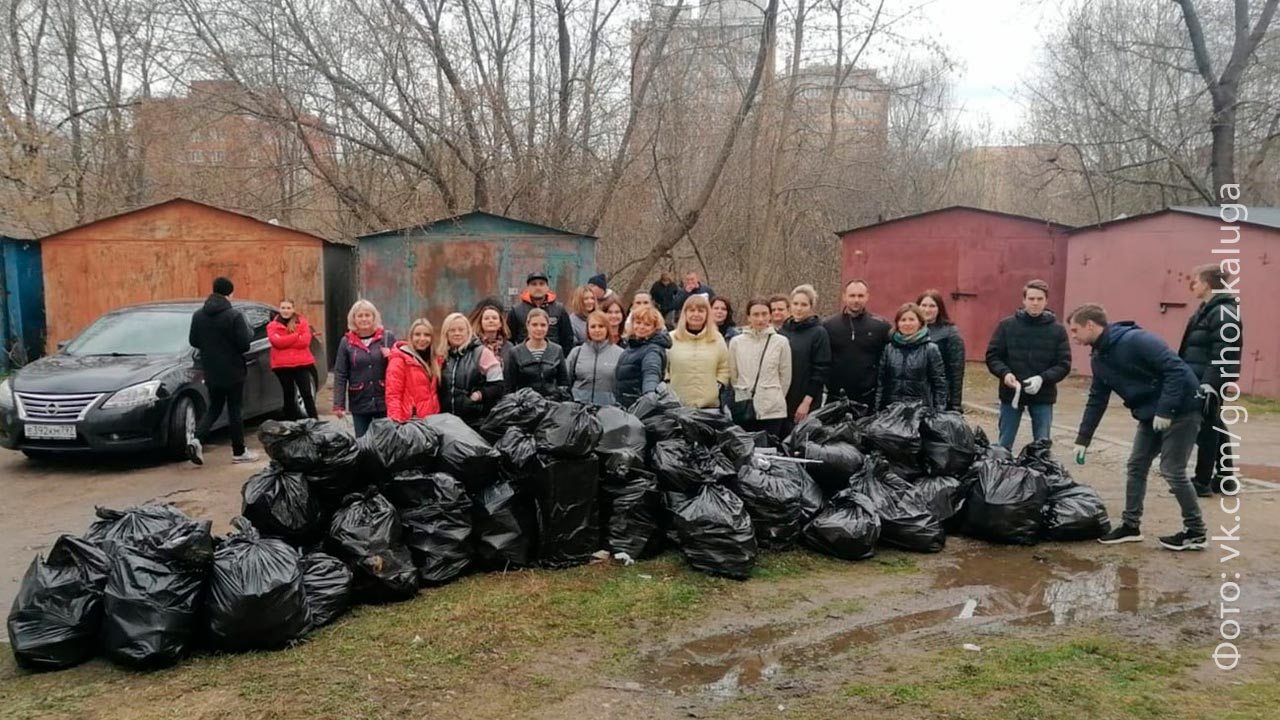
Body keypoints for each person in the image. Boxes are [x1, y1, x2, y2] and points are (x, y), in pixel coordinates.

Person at [1068, 304, 1206, 551]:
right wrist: (1083, 438)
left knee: (1172, 469)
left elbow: (1176, 369)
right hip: (1150, 414)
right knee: (1136, 465)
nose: (1074, 336)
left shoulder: (1137, 340)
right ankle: (1130, 526)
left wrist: (1166, 409)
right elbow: (1097, 399)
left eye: (1076, 330)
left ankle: (1195, 532)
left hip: (1183, 408)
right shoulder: (1099, 358)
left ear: (1091, 325)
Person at [984, 279, 1072, 451]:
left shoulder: (1057, 330)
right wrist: (1005, 374)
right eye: (1031, 299)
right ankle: (1001, 472)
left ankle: (1042, 474)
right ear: (1023, 300)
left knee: (1042, 445)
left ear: (1046, 301)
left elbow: (1064, 363)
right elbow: (993, 356)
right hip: (1011, 393)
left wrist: (1042, 378)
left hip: (1043, 394)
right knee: (1004, 444)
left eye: (1039, 299)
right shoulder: (1006, 326)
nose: (1035, 303)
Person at [1177, 264, 1242, 497]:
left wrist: (1209, 385)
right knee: (1214, 424)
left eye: (1194, 281)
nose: (1191, 285)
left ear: (1206, 283)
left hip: (1208, 381)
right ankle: (1225, 476)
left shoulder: (1223, 312)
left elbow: (1225, 352)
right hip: (1198, 377)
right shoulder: (1208, 309)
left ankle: (1202, 481)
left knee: (1206, 429)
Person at [186, 276, 256, 465]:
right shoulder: (233, 315)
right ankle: (239, 451)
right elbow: (244, 345)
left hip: (211, 369)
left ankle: (197, 439)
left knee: (214, 407)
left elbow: (193, 341)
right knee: (235, 409)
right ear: (229, 293)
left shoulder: (199, 315)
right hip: (233, 369)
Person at [823, 279, 891, 409]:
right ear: (844, 297)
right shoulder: (828, 325)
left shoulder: (881, 326)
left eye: (860, 296)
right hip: (835, 398)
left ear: (867, 297)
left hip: (868, 398)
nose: (856, 300)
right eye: (852, 295)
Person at [728, 297, 792, 437]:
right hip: (745, 405)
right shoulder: (736, 342)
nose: (760, 319)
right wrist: (742, 391)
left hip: (772, 407)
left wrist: (774, 395)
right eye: (756, 315)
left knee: (768, 450)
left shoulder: (781, 342)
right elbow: (733, 374)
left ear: (770, 315)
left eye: (764, 314)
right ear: (748, 317)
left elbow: (785, 376)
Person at [332, 299, 396, 438]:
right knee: (363, 444)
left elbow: (399, 367)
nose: (364, 319)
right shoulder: (346, 342)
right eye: (360, 316)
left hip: (384, 400)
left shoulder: (387, 337)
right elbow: (340, 374)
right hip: (359, 401)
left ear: (374, 317)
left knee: (386, 442)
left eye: (367, 315)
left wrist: (391, 356)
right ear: (353, 319)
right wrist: (339, 404)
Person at [876, 303, 948, 410]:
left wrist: (939, 410)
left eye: (911, 319)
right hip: (891, 410)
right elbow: (881, 382)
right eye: (903, 320)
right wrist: (877, 409)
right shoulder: (889, 349)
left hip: (919, 411)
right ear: (897, 323)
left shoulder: (930, 349)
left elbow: (939, 384)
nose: (907, 323)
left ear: (920, 322)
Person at [439, 312, 505, 425]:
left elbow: (498, 385)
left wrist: (478, 395)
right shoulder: (441, 356)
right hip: (446, 421)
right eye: (452, 330)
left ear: (468, 331)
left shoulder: (482, 353)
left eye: (461, 330)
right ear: (446, 333)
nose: (457, 333)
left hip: (476, 421)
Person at [779, 285, 831, 430]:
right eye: (795, 304)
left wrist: (806, 402)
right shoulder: (784, 331)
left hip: (805, 399)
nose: (799, 308)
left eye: (804, 304)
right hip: (782, 398)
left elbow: (821, 370)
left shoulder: (818, 333)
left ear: (811, 307)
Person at [666, 295, 731, 409]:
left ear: (707, 314)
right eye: (692, 310)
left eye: (701, 311)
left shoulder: (717, 339)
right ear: (685, 313)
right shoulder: (671, 339)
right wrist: (668, 386)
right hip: (677, 406)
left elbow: (724, 367)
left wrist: (718, 385)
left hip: (709, 407)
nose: (696, 314)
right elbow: (663, 367)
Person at [266, 298, 319, 420]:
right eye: (283, 308)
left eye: (288, 308)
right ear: (279, 309)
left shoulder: (302, 322)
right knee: (288, 394)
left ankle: (314, 421)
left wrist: (285, 340)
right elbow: (276, 342)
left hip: (301, 364)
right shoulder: (272, 325)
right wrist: (295, 336)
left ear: (293, 309)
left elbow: (305, 341)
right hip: (282, 365)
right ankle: (292, 423)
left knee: (306, 393)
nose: (285, 311)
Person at [504, 309, 570, 399]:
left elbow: (564, 384)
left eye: (543, 325)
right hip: (526, 407)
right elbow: (509, 387)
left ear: (548, 327)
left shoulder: (557, 350)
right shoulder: (515, 352)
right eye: (534, 325)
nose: (539, 329)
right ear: (527, 325)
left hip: (552, 405)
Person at [385, 318, 442, 421]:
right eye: (417, 334)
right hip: (410, 422)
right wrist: (395, 422)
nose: (422, 338)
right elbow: (393, 395)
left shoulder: (435, 360)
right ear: (410, 337)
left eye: (427, 335)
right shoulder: (399, 360)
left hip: (432, 420)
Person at [917, 289, 965, 412]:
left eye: (932, 306)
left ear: (939, 308)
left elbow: (956, 371)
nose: (927, 310)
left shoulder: (950, 333)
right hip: (915, 392)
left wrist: (955, 403)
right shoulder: (910, 329)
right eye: (923, 305)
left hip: (938, 394)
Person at [615, 306, 671, 408]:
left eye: (647, 324)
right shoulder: (632, 346)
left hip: (639, 408)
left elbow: (651, 372)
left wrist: (649, 395)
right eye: (638, 322)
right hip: (625, 405)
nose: (641, 327)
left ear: (655, 328)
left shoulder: (652, 350)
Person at [567, 311, 625, 406]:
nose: (597, 330)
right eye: (593, 326)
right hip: (578, 409)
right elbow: (566, 382)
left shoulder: (620, 354)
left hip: (608, 410)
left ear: (607, 329)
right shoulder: (576, 352)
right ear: (587, 330)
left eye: (601, 326)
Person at [508, 271, 576, 350]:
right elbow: (510, 338)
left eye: (541, 284)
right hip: (524, 358)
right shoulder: (516, 311)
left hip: (553, 358)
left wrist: (561, 357)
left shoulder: (559, 309)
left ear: (547, 287)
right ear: (528, 288)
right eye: (534, 284)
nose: (538, 287)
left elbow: (567, 338)